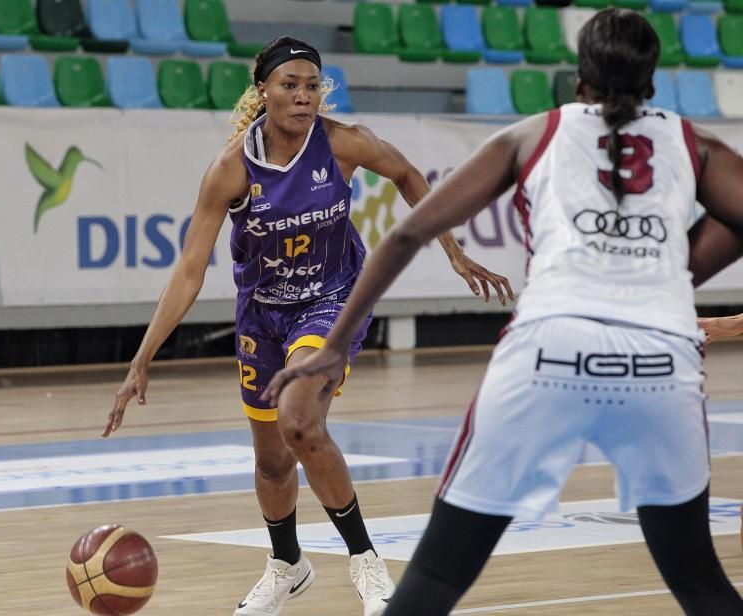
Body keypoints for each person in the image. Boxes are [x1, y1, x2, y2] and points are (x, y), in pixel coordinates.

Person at [263, 10, 743, 615]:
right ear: (653, 81)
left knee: (436, 576)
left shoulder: (533, 134)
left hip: (547, 357)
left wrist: (334, 341)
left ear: (579, 80)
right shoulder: (694, 144)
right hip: (659, 366)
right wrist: (665, 279)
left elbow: (409, 234)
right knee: (701, 585)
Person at [101, 36, 513, 616]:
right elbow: (190, 270)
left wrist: (454, 250)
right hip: (263, 312)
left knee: (299, 418)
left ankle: (367, 564)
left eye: (311, 85)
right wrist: (141, 359)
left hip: (333, 299)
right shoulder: (230, 169)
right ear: (263, 90)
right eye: (289, 85)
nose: (302, 96)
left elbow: (408, 174)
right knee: (271, 458)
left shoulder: (343, 143)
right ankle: (287, 565)